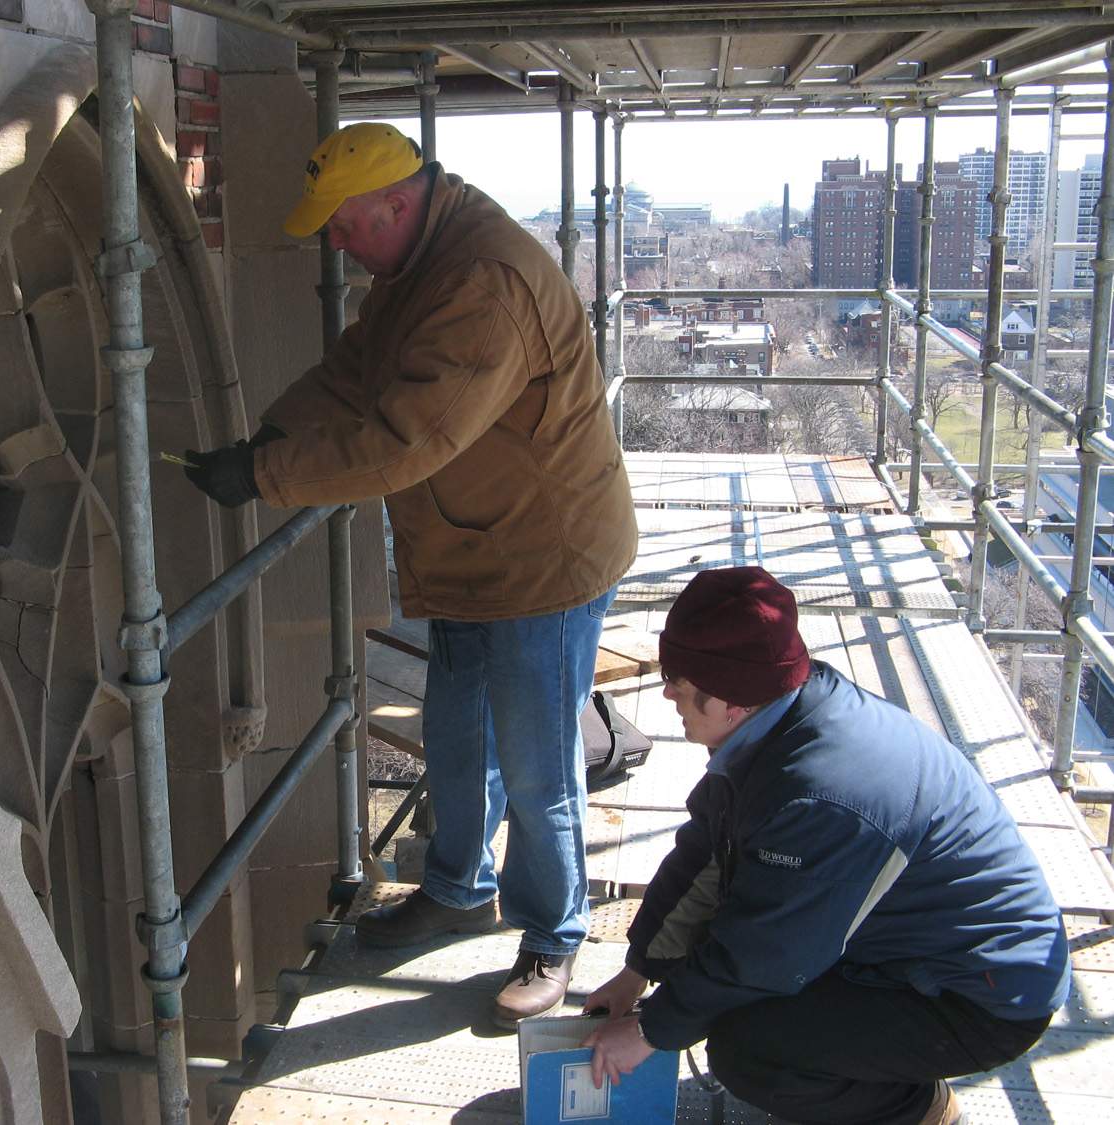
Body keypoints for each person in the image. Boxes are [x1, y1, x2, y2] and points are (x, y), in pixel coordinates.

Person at [183, 121, 637, 1026]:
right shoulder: (416, 266)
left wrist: (266, 477)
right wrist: (272, 435)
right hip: (475, 548)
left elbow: (407, 441)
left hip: (542, 561)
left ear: (398, 202)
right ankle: (459, 886)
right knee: (460, 733)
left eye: (345, 225)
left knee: (538, 761)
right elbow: (355, 375)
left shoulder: (482, 284)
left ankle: (554, 930)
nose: (335, 243)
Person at [579, 566, 1070, 1125]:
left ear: (731, 703)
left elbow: (769, 953)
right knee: (710, 986)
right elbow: (703, 854)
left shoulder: (821, 795)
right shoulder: (781, 714)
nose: (666, 691)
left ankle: (918, 1110)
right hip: (901, 948)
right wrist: (638, 970)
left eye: (680, 681)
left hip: (979, 995)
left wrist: (650, 1030)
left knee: (748, 1050)